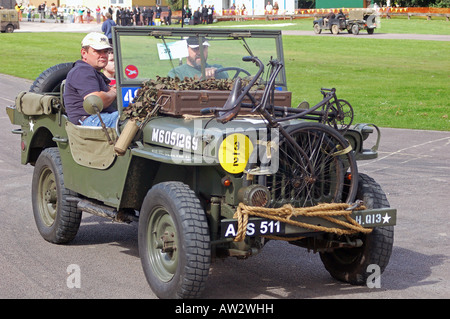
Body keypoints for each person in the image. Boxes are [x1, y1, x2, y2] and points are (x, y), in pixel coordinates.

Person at [64, 32, 118, 127]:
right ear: (84, 53)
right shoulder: (82, 71)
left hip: (100, 118)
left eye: (105, 51)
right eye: (98, 51)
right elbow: (95, 102)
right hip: (89, 121)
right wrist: (114, 92)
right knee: (130, 119)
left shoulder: (93, 72)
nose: (103, 55)